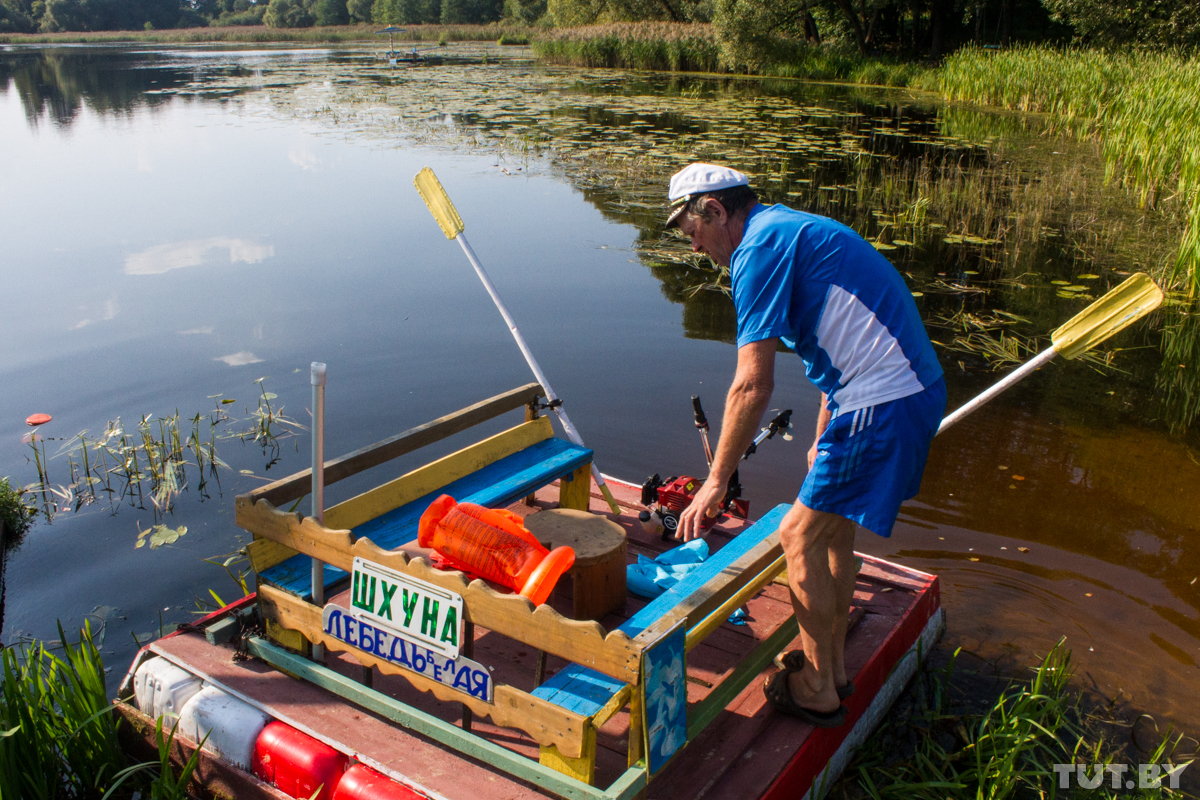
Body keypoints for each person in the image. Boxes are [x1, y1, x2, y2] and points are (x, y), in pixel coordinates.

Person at [671, 163, 945, 728]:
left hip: (882, 399)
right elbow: (835, 351)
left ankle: (818, 687)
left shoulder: (756, 250)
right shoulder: (785, 229)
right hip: (895, 392)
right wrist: (823, 435)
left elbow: (752, 384)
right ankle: (834, 670)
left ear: (716, 211)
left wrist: (716, 481)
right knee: (831, 532)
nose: (694, 246)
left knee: (797, 535)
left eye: (693, 231)